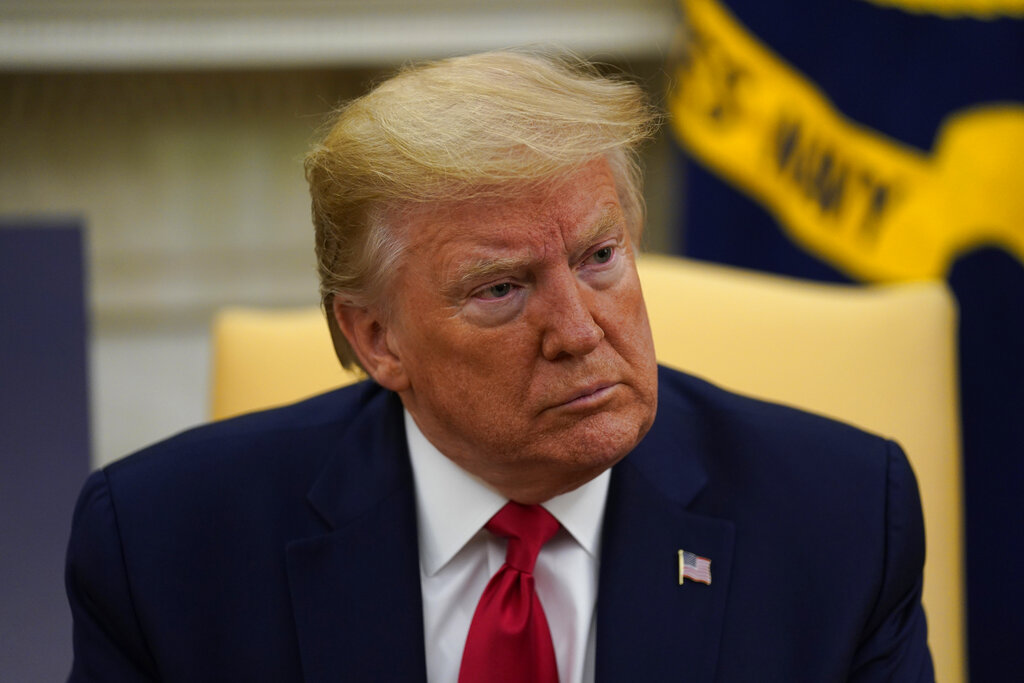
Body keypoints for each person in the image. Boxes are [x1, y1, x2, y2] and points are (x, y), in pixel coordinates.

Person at [65, 51, 934, 682]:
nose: (578, 329)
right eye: (502, 288)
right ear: (377, 339)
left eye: (600, 257)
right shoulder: (163, 548)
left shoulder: (842, 520)